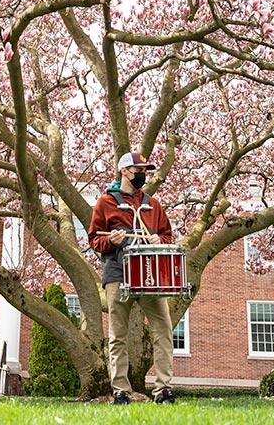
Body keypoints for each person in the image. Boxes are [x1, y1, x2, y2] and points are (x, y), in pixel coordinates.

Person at [87, 152, 175, 405]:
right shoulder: (105, 203)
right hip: (118, 274)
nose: (143, 174)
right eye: (139, 169)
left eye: (145, 170)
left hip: (150, 276)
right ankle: (120, 390)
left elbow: (168, 236)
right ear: (124, 171)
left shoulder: (153, 205)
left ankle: (163, 389)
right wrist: (109, 241)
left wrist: (161, 240)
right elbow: (94, 240)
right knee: (118, 334)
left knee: (163, 330)